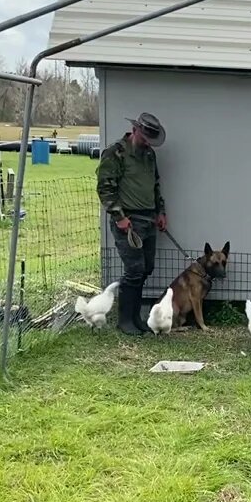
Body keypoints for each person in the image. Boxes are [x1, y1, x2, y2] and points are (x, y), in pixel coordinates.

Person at [96, 112, 168, 335]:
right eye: (145, 137)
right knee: (135, 269)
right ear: (135, 130)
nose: (148, 142)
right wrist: (120, 217)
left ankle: (136, 317)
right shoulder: (115, 152)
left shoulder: (149, 155)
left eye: (151, 139)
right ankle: (125, 320)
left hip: (148, 218)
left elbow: (155, 185)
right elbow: (105, 188)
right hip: (129, 220)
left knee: (146, 267)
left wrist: (161, 211)